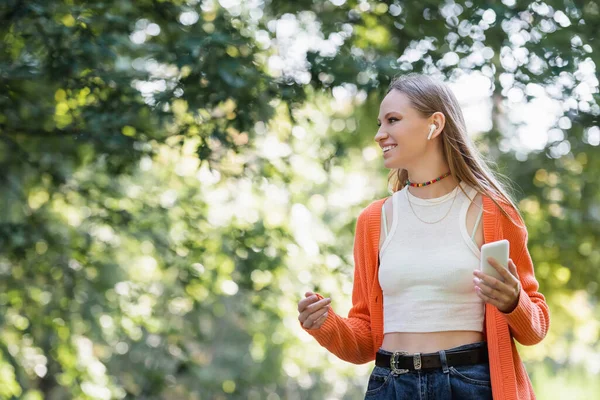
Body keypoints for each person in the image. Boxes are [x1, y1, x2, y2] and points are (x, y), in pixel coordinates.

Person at [297, 73, 550, 399]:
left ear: (435, 124)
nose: (379, 135)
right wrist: (325, 324)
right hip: (390, 384)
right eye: (379, 123)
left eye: (392, 120)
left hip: (467, 385)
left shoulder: (493, 213)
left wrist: (515, 302)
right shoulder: (374, 220)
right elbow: (364, 342)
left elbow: (536, 327)